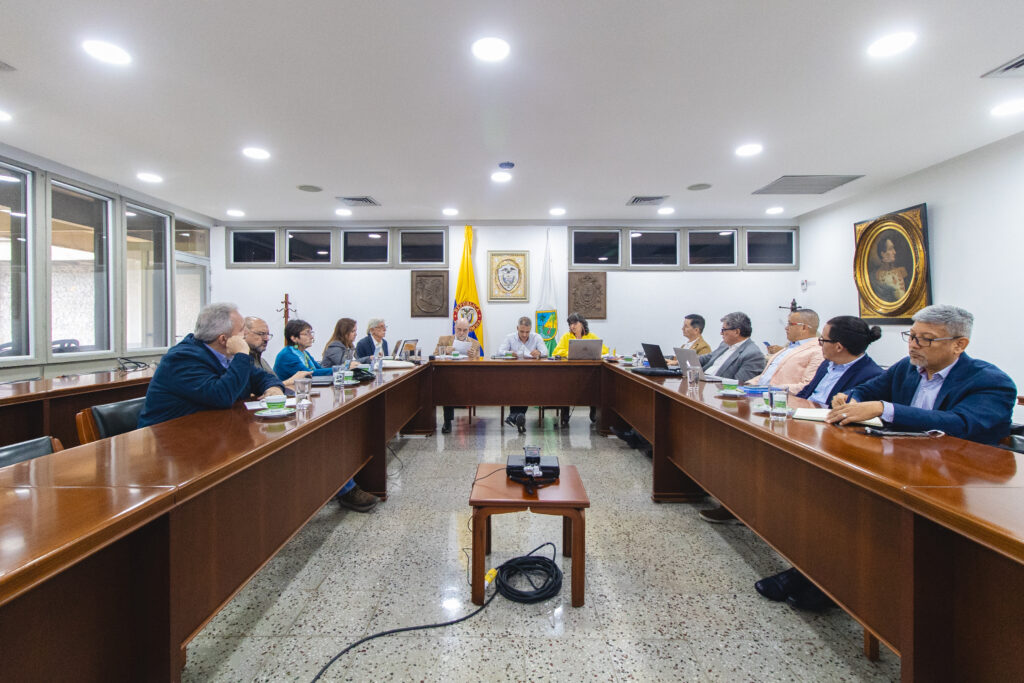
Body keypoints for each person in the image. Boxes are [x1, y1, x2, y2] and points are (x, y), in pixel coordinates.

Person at [755, 316, 885, 611]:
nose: (818, 344)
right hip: (807, 430)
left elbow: (853, 413)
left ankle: (818, 577)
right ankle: (807, 571)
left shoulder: (870, 373)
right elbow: (807, 395)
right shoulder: (827, 365)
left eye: (823, 340)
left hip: (838, 446)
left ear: (838, 346)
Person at [826, 304, 1016, 444]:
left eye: (926, 339)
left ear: (959, 345)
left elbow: (960, 423)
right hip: (905, 456)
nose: (913, 345)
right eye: (911, 336)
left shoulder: (991, 381)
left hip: (961, 469)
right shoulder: (906, 367)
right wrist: (850, 399)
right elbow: (866, 390)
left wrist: (884, 409)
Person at [138, 302, 284, 427]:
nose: (245, 336)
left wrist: (274, 388)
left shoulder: (228, 355)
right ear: (223, 339)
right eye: (241, 331)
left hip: (210, 430)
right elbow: (221, 396)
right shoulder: (182, 359)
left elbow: (261, 377)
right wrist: (242, 355)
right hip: (168, 438)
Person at [745, 309, 823, 392]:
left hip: (779, 396)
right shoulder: (789, 347)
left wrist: (771, 390)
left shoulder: (817, 351)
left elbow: (807, 386)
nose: (786, 328)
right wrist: (748, 385)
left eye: (790, 324)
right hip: (758, 392)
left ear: (804, 328)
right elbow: (766, 377)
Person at [551, 312, 608, 425]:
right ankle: (565, 413)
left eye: (575, 323)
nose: (572, 326)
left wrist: (592, 352)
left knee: (595, 384)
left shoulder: (591, 336)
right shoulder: (566, 337)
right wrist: (569, 352)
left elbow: (605, 350)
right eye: (570, 324)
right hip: (570, 372)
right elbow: (556, 352)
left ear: (582, 323)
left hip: (588, 371)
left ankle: (593, 410)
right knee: (565, 387)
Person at [498, 316, 549, 433]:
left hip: (532, 374)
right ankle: (519, 416)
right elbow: (499, 351)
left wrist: (539, 352)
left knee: (525, 385)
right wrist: (509, 353)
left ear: (530, 329)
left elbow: (545, 352)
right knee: (518, 385)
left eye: (527, 332)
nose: (525, 335)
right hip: (513, 374)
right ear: (517, 328)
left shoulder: (536, 337)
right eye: (522, 331)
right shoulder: (510, 338)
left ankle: (513, 416)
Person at [437, 317, 482, 434]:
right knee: (447, 387)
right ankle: (447, 421)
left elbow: (480, 363)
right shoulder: (444, 340)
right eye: (459, 329)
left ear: (469, 330)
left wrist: (475, 356)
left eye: (465, 330)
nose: (461, 333)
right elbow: (434, 357)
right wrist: (445, 352)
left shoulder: (475, 343)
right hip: (449, 376)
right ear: (454, 328)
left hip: (468, 378)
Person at [698, 312, 765, 384]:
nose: (721, 333)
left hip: (715, 387)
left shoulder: (753, 355)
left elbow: (739, 384)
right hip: (702, 380)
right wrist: (689, 359)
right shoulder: (724, 344)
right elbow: (707, 358)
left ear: (736, 332)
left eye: (723, 330)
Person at [243, 316, 310, 389]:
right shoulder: (239, 362)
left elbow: (274, 384)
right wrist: (291, 380)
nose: (266, 339)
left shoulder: (262, 361)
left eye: (267, 334)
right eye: (261, 334)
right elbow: (252, 392)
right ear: (244, 334)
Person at [871, 236, 909, 302]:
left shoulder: (902, 271)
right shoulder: (876, 276)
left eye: (893, 248)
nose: (894, 252)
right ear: (883, 254)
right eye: (890, 249)